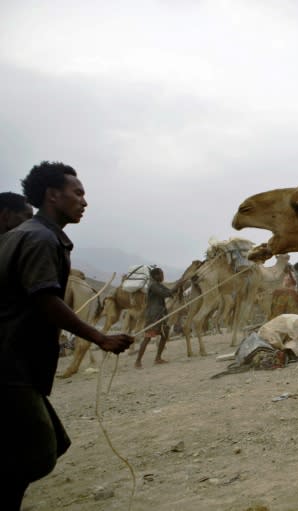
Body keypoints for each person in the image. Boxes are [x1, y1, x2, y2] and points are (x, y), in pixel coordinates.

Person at [0, 161, 134, 509]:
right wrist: (100, 337)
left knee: (48, 444)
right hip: (11, 364)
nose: (84, 201)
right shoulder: (40, 239)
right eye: (78, 193)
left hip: (18, 364)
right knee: (38, 453)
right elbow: (45, 300)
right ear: (53, 195)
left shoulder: (26, 235)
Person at [135, 267, 177, 368]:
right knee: (148, 338)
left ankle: (158, 358)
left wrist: (178, 286)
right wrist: (177, 286)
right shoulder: (153, 285)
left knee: (164, 335)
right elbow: (166, 293)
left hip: (161, 315)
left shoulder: (158, 285)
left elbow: (169, 291)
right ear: (156, 276)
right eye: (161, 274)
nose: (163, 276)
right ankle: (137, 361)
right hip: (154, 316)